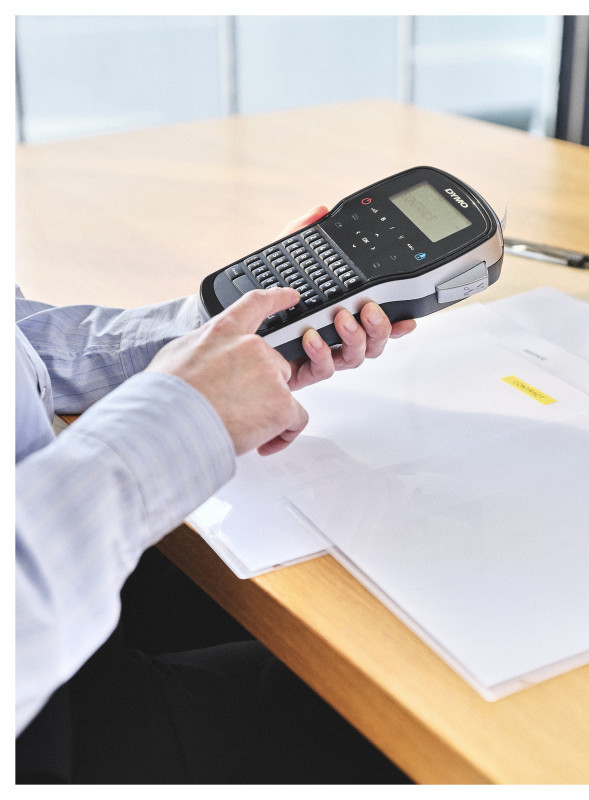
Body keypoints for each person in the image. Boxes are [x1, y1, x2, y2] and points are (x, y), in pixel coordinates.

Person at [15, 206, 416, 784]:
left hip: (69, 564)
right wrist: (179, 415)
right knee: (396, 709)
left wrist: (215, 334)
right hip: (38, 714)